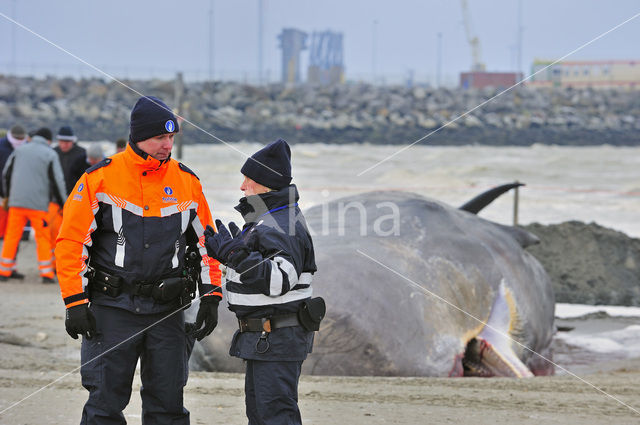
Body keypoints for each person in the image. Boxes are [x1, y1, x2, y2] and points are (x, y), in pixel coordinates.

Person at [55, 95, 222, 424]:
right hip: (112, 309)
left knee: (168, 404)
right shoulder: (99, 179)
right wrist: (74, 301)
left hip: (168, 312)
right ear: (138, 136)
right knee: (103, 404)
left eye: (172, 138)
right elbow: (71, 242)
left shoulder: (187, 181)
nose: (167, 145)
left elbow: (207, 244)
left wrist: (212, 296)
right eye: (160, 137)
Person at [205, 139, 321, 425]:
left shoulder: (282, 223)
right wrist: (232, 254)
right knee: (261, 415)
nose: (242, 187)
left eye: (249, 179)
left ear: (266, 184)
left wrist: (234, 254)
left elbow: (279, 280)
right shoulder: (269, 219)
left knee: (275, 416)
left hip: (278, 338)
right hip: (265, 339)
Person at [0, 131, 66, 283]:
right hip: (39, 205)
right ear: (48, 140)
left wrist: (7, 196)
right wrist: (64, 203)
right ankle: (46, 274)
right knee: (42, 238)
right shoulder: (50, 154)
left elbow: (6, 174)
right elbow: (57, 181)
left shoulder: (20, 150)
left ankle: (4, 271)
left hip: (16, 203)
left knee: (11, 236)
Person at [0, 125, 28, 240]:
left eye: (22, 139)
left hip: (20, 188)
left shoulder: (27, 147)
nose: (19, 141)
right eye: (18, 139)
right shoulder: (1, 146)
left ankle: (23, 233)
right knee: (3, 212)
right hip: (2, 187)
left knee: (18, 213)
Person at [54, 125, 88, 196]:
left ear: (72, 141)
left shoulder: (82, 154)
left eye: (66, 143)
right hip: (56, 196)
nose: (63, 145)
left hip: (76, 195)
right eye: (61, 142)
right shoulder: (53, 153)